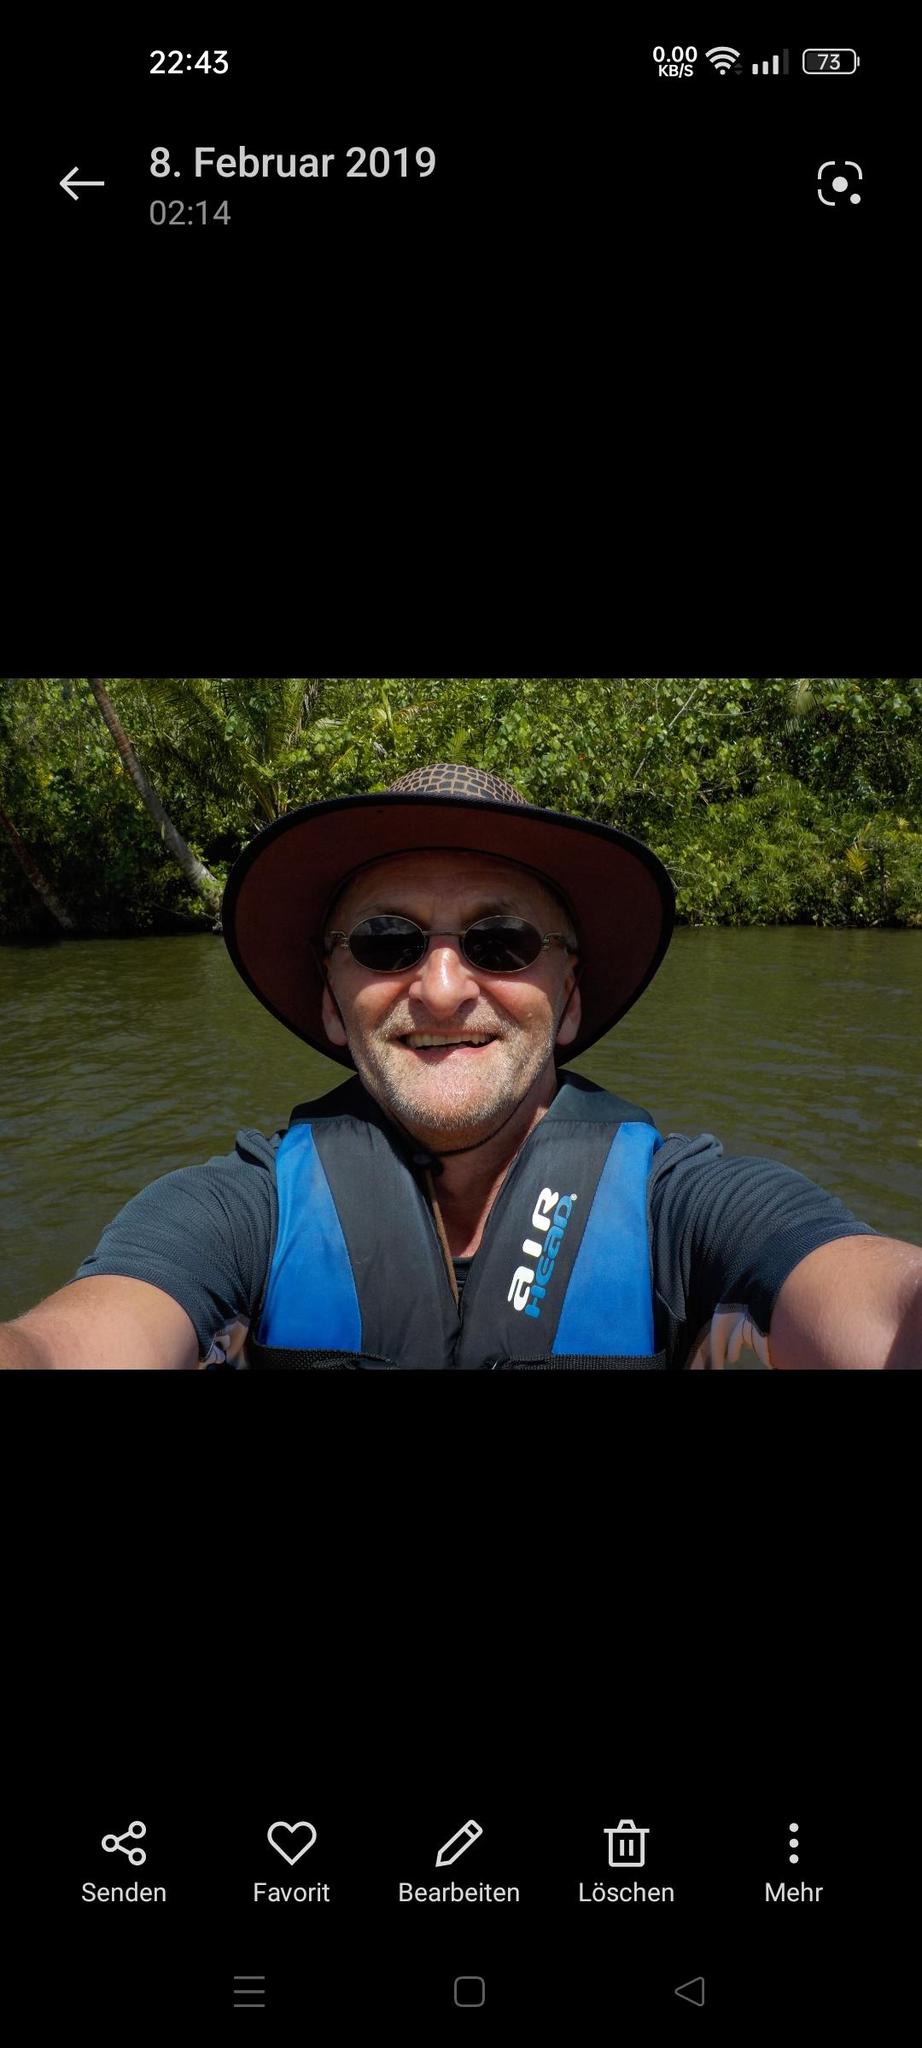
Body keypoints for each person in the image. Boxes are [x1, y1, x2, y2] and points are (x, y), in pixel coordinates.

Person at [3, 763, 921, 1369]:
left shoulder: (689, 1212)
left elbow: (874, 1304)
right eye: (386, 940)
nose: (442, 989)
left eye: (502, 940)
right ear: (332, 1003)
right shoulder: (237, 1216)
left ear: (568, 1000)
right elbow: (70, 1342)